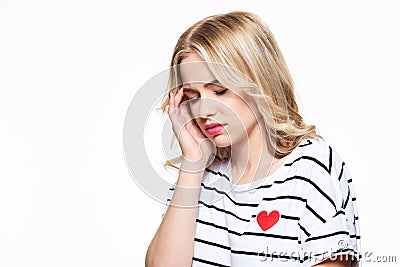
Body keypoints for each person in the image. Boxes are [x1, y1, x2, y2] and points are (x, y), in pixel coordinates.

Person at [145, 11, 361, 267]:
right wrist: (192, 164)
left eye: (219, 90)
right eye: (193, 96)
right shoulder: (200, 176)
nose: (204, 110)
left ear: (259, 81)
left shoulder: (311, 167)